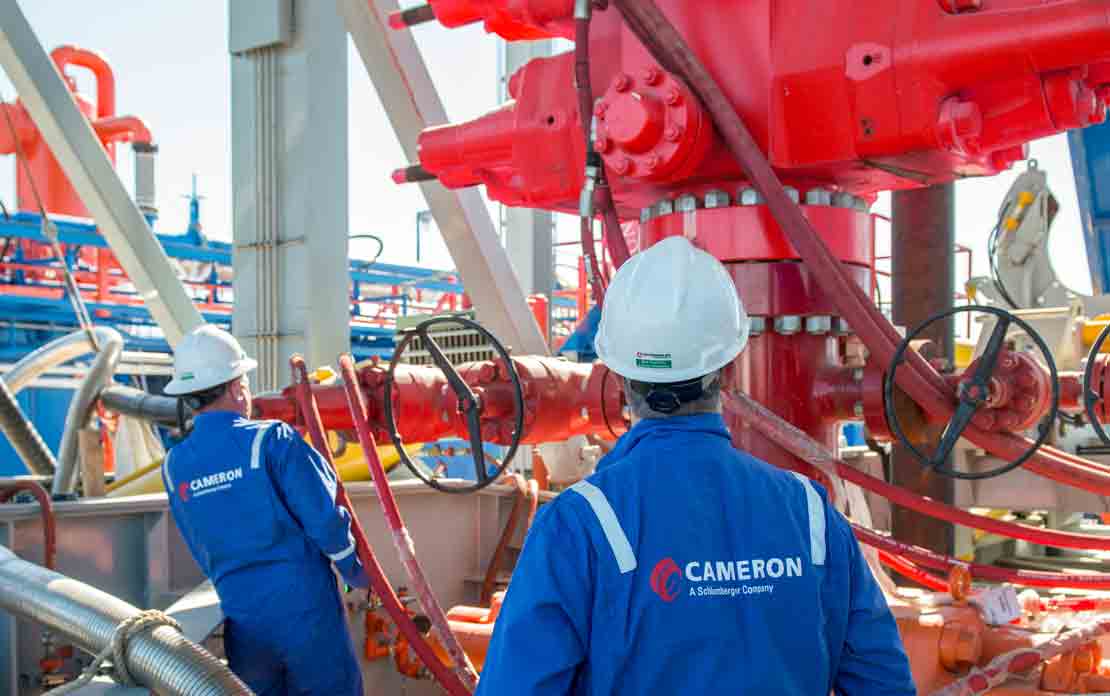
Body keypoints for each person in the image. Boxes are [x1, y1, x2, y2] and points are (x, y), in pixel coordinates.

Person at [475, 236, 915, 695]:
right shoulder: (809, 513)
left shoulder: (580, 526)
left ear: (619, 377)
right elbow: (882, 682)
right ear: (728, 369)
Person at [162, 325, 369, 695]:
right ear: (236, 387)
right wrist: (358, 572)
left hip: (243, 621)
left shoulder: (174, 464)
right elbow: (324, 519)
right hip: (306, 615)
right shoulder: (271, 440)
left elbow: (198, 542)